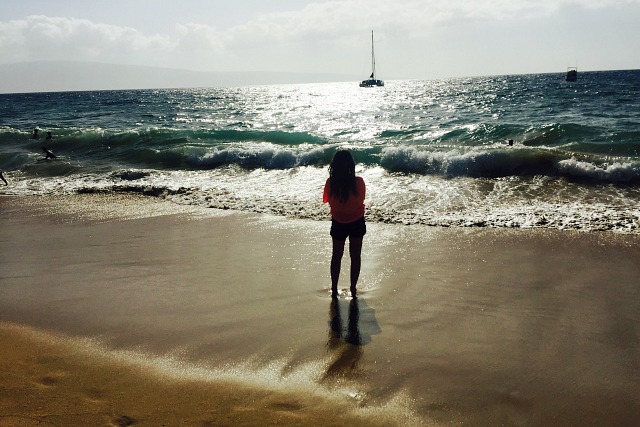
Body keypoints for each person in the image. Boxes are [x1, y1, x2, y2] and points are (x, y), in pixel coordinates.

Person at [323, 150, 366, 298]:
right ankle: (353, 288)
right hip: (356, 221)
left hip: (338, 221)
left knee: (336, 256)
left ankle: (334, 288)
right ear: (351, 165)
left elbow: (327, 200)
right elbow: (361, 200)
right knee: (355, 256)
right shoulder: (358, 182)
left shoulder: (331, 183)